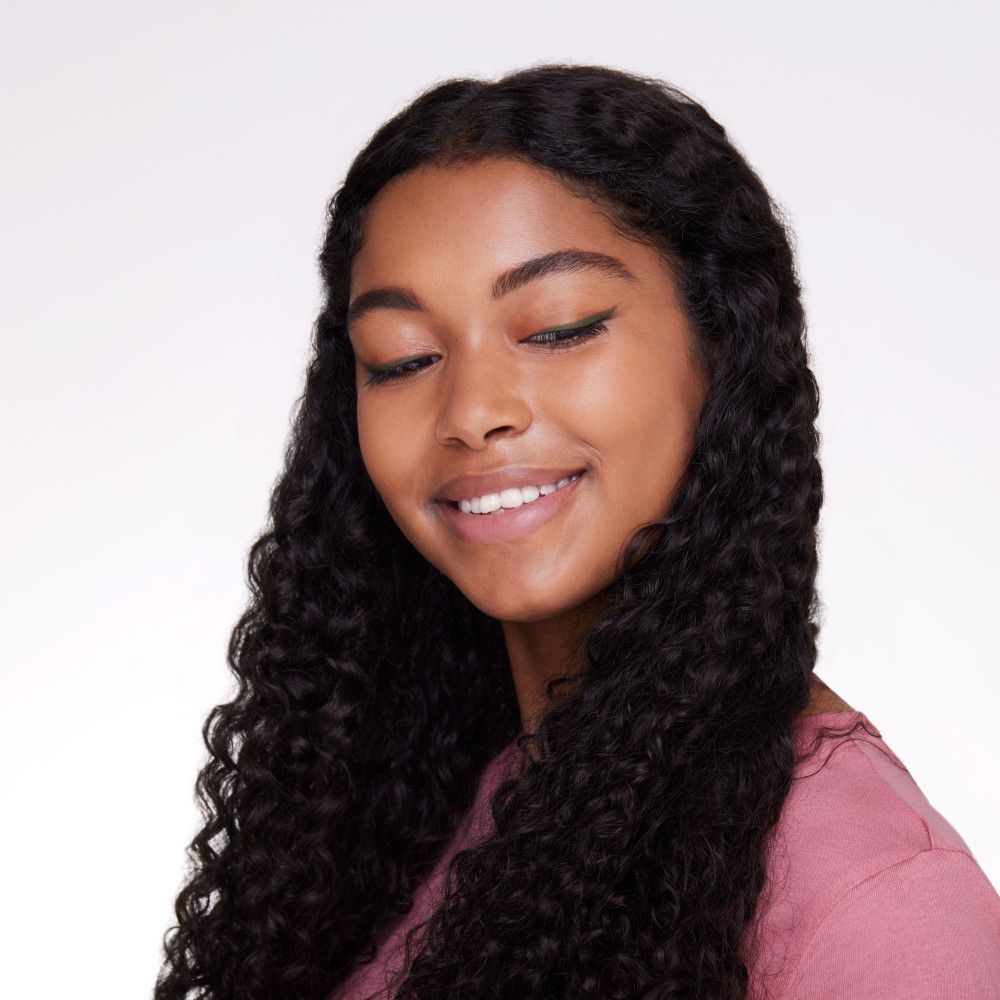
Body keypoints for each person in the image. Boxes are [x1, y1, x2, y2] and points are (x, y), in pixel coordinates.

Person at [154, 64, 1000, 1000]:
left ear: (722, 349)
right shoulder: (420, 808)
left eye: (557, 329)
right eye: (403, 360)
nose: (472, 411)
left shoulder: (877, 906)